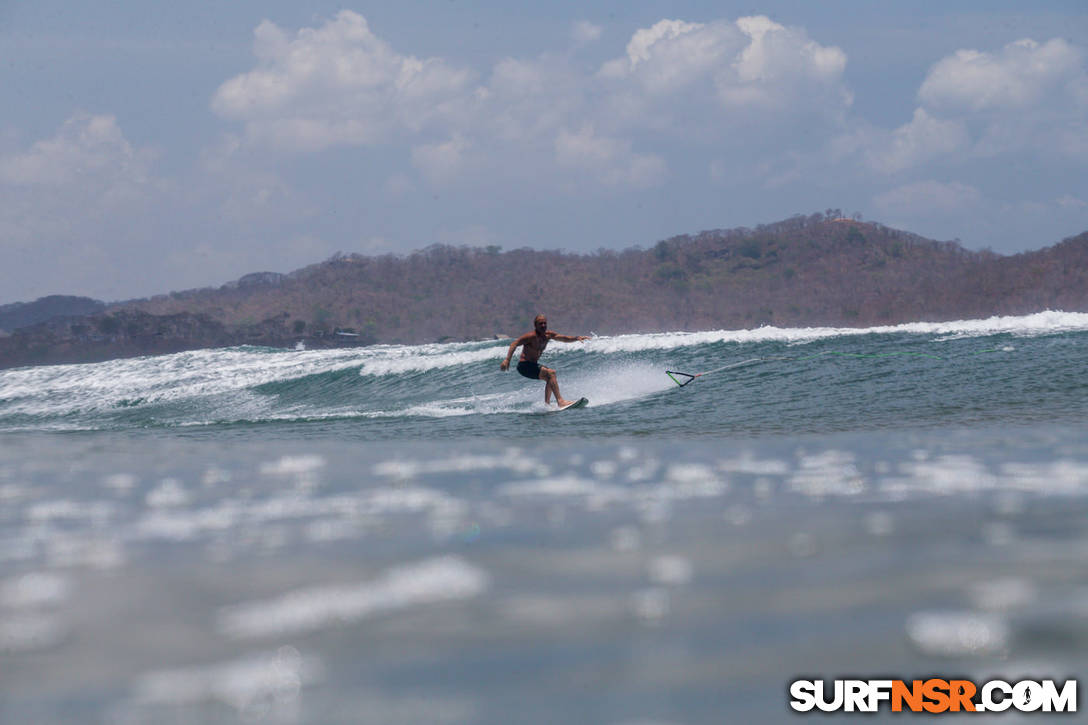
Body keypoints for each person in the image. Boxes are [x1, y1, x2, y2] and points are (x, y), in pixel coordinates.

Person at [500, 314, 589, 407]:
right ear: (535, 325)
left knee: (550, 379)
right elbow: (514, 344)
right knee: (551, 373)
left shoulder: (548, 335)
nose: (543, 325)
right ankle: (560, 401)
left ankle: (547, 405)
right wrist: (507, 360)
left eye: (544, 323)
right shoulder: (530, 336)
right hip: (524, 366)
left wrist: (576, 338)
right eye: (540, 324)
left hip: (533, 365)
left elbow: (563, 338)